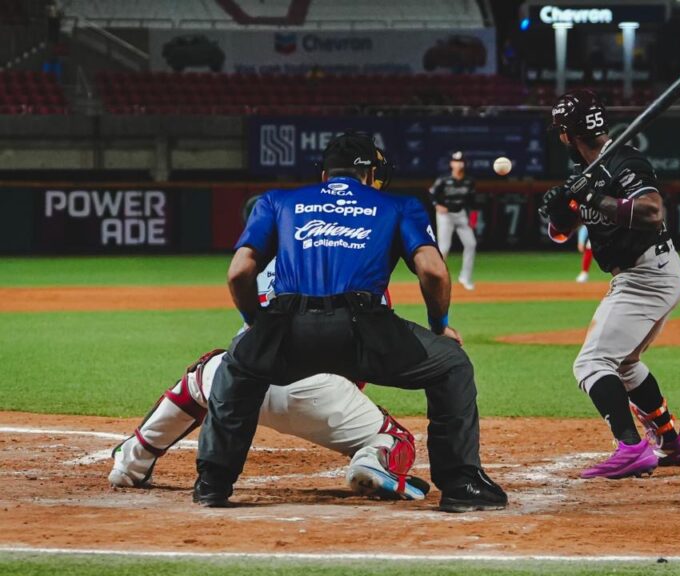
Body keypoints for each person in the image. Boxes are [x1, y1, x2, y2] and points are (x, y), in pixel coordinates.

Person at [194, 132, 506, 513]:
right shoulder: (399, 205)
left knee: (237, 366)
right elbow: (434, 273)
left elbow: (238, 272)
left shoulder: (277, 201)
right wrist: (439, 325)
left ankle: (212, 482)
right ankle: (461, 484)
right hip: (365, 329)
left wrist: (256, 324)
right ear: (370, 172)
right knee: (452, 366)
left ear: (326, 174)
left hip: (288, 326)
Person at [538, 89, 680, 479]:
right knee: (625, 364)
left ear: (567, 135)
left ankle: (630, 447)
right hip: (647, 274)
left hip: (647, 275)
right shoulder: (584, 175)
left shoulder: (626, 162)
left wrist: (594, 195)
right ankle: (671, 440)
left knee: (592, 363)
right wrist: (561, 212)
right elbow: (561, 234)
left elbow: (651, 210)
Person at [108, 347, 428, 501]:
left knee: (199, 379)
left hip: (243, 378)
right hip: (319, 394)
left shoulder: (258, 265)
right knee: (395, 436)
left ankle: (132, 461)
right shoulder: (353, 267)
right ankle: (373, 459)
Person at [429, 151, 478, 290]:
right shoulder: (444, 180)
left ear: (464, 164)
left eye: (461, 161)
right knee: (444, 248)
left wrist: (473, 221)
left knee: (471, 244)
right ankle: (438, 278)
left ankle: (465, 277)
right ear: (451, 164)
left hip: (461, 214)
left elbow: (473, 203)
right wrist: (437, 205)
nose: (458, 164)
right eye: (456, 161)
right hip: (445, 215)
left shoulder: (469, 181)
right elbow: (432, 193)